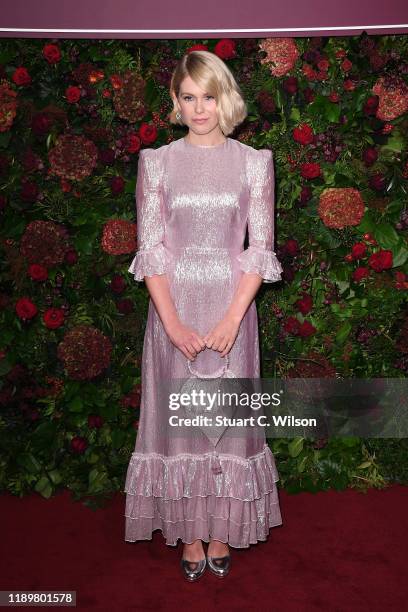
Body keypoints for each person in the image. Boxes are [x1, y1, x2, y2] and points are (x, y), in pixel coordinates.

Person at [124, 50, 284, 581]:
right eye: (188, 98)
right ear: (176, 100)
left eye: (208, 97)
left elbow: (260, 249)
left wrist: (233, 320)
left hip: (233, 305)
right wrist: (171, 324)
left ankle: (222, 530)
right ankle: (189, 533)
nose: (199, 108)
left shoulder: (254, 162)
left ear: (225, 97)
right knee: (181, 423)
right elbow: (151, 249)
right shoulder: (157, 162)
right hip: (173, 306)